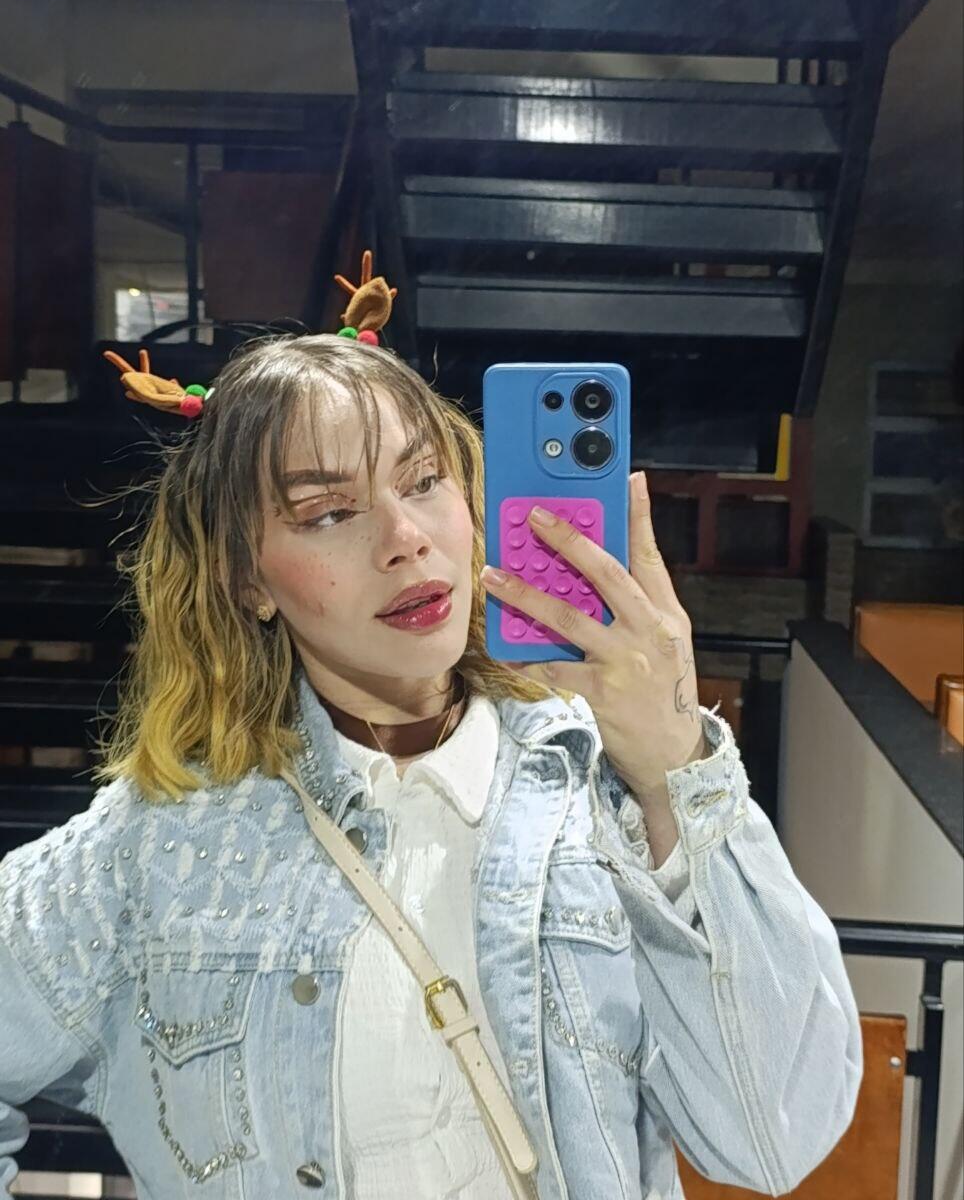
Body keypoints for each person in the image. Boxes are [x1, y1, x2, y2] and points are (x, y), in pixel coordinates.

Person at [0, 254, 862, 1199]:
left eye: (422, 481)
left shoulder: (606, 802)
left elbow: (775, 1141)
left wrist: (674, 768)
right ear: (246, 580)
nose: (404, 537)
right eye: (328, 511)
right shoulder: (159, 849)